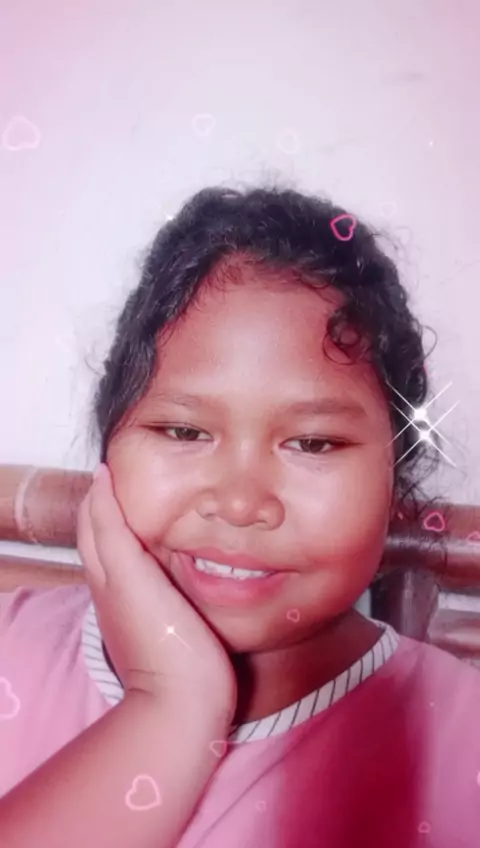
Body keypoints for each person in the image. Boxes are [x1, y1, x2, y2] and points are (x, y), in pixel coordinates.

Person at [0, 185, 479, 848]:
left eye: (313, 443)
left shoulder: (457, 745)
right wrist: (170, 703)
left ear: (396, 477)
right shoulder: (10, 646)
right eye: (182, 431)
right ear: (109, 441)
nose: (240, 502)